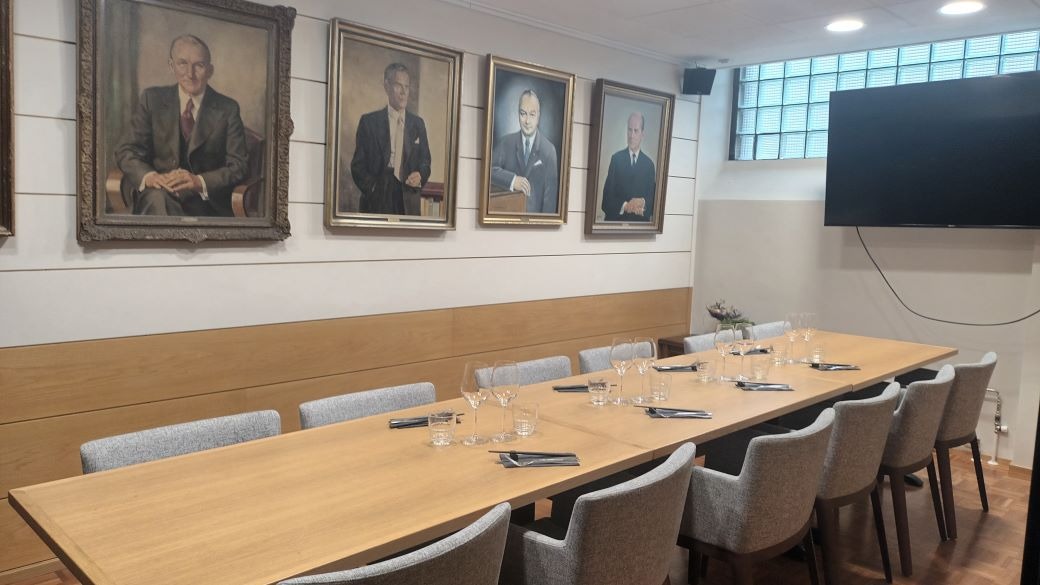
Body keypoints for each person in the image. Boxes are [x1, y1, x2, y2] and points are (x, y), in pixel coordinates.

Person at [115, 34, 248, 217]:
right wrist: (151, 177)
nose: (190, 74)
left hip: (205, 203)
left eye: (199, 65)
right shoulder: (152, 99)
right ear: (172, 66)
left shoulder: (228, 109)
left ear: (210, 70)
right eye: (182, 64)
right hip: (157, 193)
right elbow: (127, 150)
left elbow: (239, 166)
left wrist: (198, 181)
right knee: (158, 199)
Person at [350, 63, 432, 215]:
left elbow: (425, 161)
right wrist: (373, 188)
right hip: (378, 198)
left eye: (406, 87)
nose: (403, 92)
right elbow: (357, 165)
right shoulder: (369, 122)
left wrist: (420, 175)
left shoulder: (418, 124)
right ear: (387, 87)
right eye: (398, 86)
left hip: (408, 199)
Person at [490, 89, 559, 214]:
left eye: (532, 115)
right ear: (518, 114)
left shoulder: (549, 151)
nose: (527, 121)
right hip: (506, 219)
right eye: (523, 114)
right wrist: (512, 180)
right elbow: (489, 171)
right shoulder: (505, 143)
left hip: (535, 223)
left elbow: (550, 203)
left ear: (538, 116)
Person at [601, 111, 657, 222]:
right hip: (615, 225)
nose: (631, 135)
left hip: (639, 229)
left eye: (636, 131)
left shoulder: (649, 165)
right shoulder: (616, 159)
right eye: (629, 130)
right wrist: (625, 206)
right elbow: (606, 201)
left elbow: (654, 203)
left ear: (642, 134)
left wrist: (642, 202)